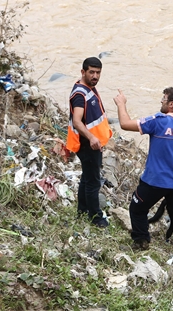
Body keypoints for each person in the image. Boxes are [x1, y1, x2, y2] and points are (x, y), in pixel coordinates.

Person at [114, 87, 173, 252]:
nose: (161, 102)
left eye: (163, 99)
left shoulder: (157, 121)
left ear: (171, 104)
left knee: (137, 208)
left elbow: (125, 124)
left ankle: (141, 241)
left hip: (155, 181)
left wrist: (121, 104)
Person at [67, 56, 113, 228]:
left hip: (92, 143)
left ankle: (82, 210)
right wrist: (92, 137)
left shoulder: (89, 88)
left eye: (98, 73)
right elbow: (77, 121)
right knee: (93, 181)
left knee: (87, 178)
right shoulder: (80, 94)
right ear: (83, 72)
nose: (95, 76)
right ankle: (96, 217)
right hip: (88, 144)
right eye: (91, 72)